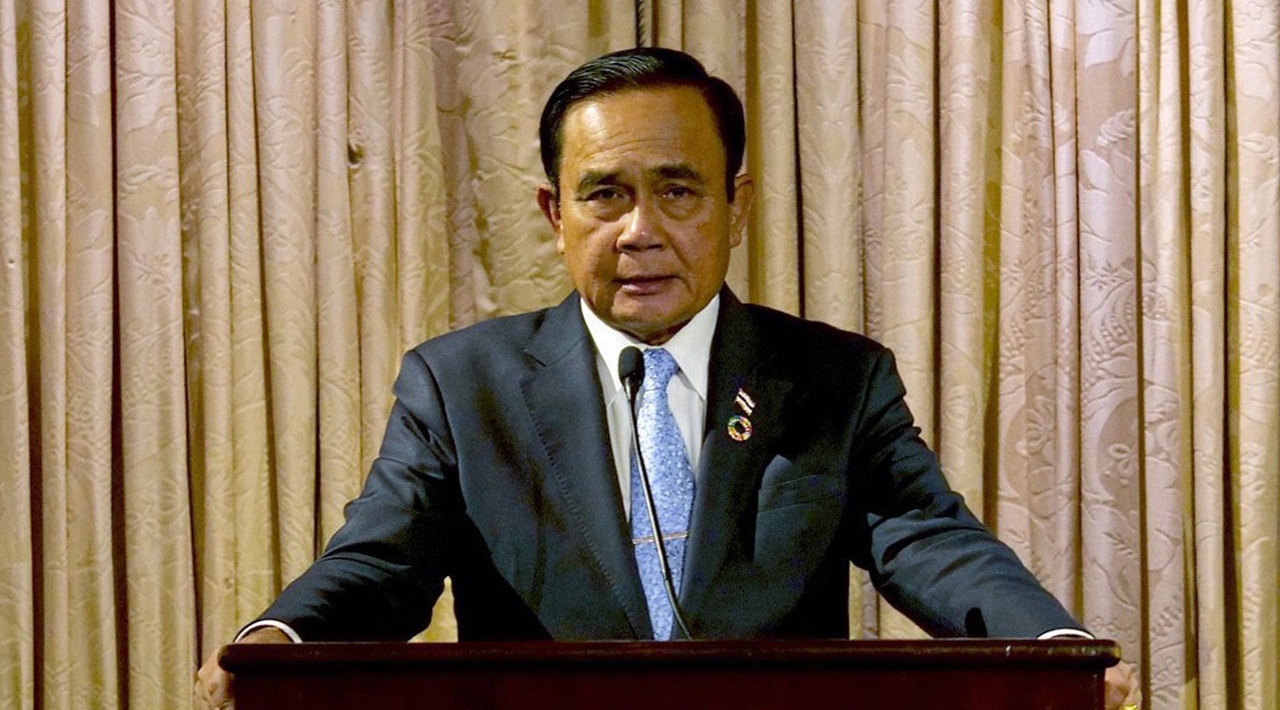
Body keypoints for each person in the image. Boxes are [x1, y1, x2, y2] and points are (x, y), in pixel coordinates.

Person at [195, 47, 1140, 709]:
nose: (640, 231)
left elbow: (929, 540)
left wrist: (1057, 653)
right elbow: (382, 564)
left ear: (736, 207)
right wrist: (278, 642)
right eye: (605, 194)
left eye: (678, 191)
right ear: (554, 214)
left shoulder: (834, 379)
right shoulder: (461, 385)